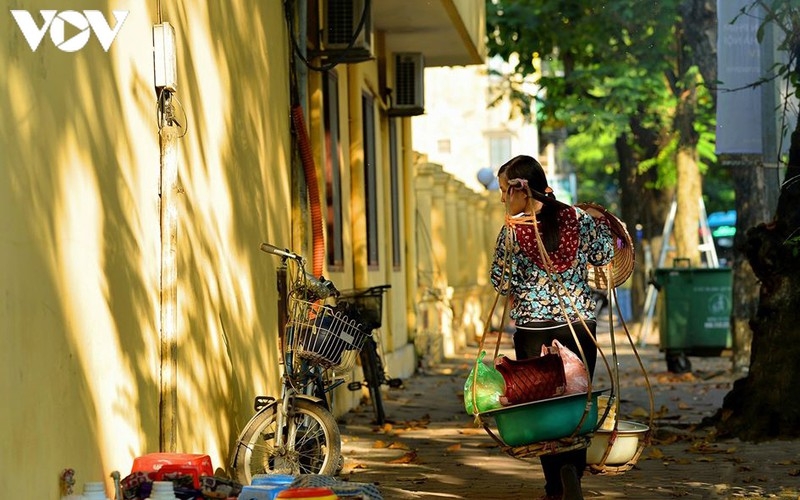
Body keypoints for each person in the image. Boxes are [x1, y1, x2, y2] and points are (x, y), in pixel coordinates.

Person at [490, 155, 614, 500]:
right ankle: (572, 474)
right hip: (578, 327)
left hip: (533, 331)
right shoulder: (578, 218)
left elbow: (501, 283)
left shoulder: (513, 231)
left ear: (520, 189)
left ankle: (554, 485)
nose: (502, 199)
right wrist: (599, 223)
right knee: (576, 403)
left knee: (543, 408)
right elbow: (605, 255)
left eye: (504, 190)